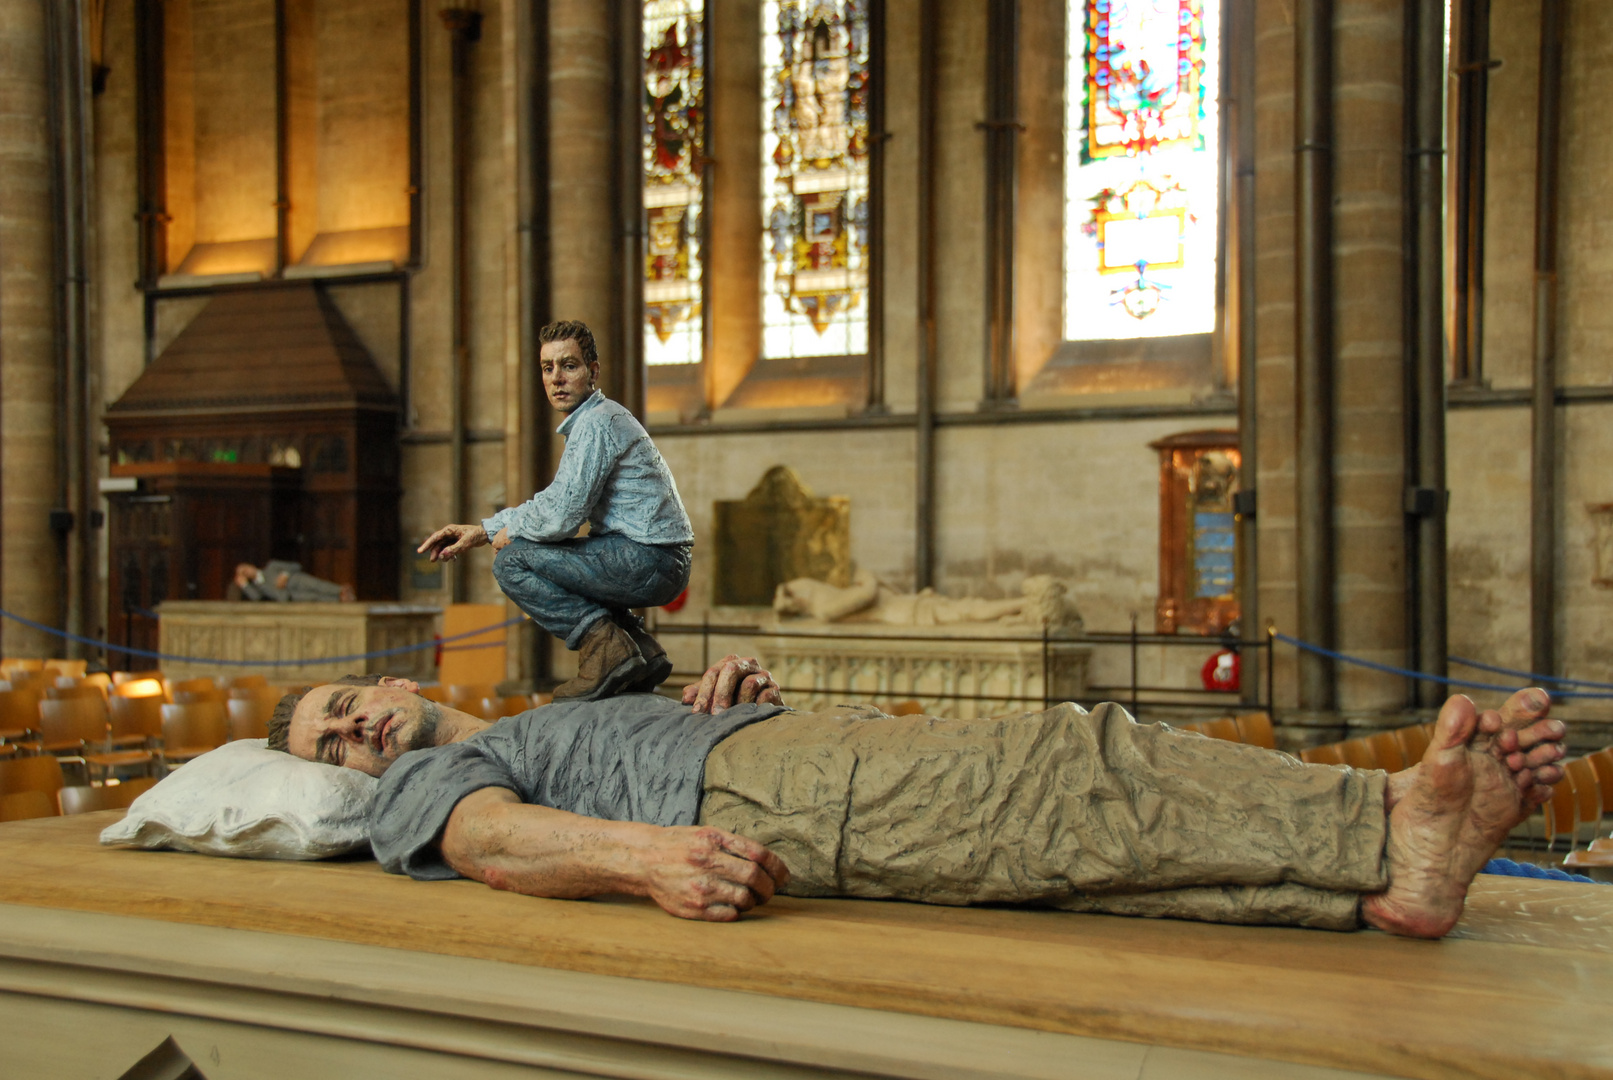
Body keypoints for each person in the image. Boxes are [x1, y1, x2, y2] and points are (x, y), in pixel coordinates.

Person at [267, 656, 1569, 939]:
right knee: (1080, 768)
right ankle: (1382, 824)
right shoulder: (428, 777)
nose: (350, 733)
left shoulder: (534, 713)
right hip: (766, 795)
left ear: (386, 676)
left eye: (340, 705)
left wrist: (703, 702)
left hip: (775, 755)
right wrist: (645, 855)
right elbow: (486, 840)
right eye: (327, 749)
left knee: (1077, 850)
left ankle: (1367, 888)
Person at [417, 320, 693, 701]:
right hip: (655, 558)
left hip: (649, 560)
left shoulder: (597, 422)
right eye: (548, 368)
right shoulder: (599, 419)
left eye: (569, 366)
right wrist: (483, 529)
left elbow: (562, 515)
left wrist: (507, 533)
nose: (556, 379)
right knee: (567, 555)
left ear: (593, 372)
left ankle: (608, 649)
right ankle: (638, 647)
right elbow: (557, 503)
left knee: (513, 562)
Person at [228, 561, 355, 603]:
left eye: (246, 568)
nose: (248, 572)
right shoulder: (256, 587)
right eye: (244, 573)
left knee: (317, 585)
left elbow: (295, 565)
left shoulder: (271, 566)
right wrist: (244, 584)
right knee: (313, 597)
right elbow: (256, 598)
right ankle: (339, 599)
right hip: (289, 595)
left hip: (295, 581)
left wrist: (284, 575)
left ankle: (341, 590)